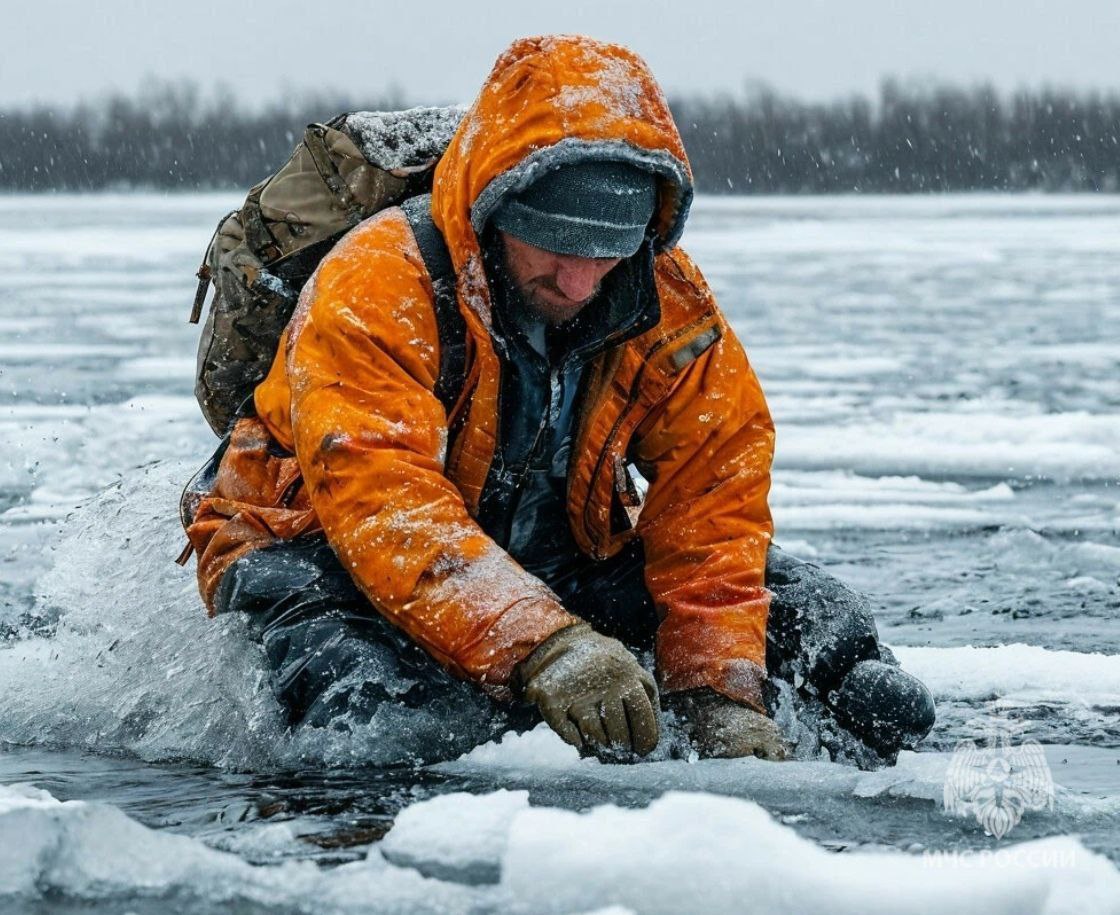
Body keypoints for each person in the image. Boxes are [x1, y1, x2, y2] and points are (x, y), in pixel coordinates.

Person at [184, 35, 934, 764]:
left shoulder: (667, 305)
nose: (580, 283)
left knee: (791, 606)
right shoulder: (377, 282)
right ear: (496, 210)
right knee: (383, 735)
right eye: (554, 243)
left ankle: (830, 687)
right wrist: (547, 645)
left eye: (606, 250)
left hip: (544, 541)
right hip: (313, 543)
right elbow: (382, 500)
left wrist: (718, 694)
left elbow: (714, 502)